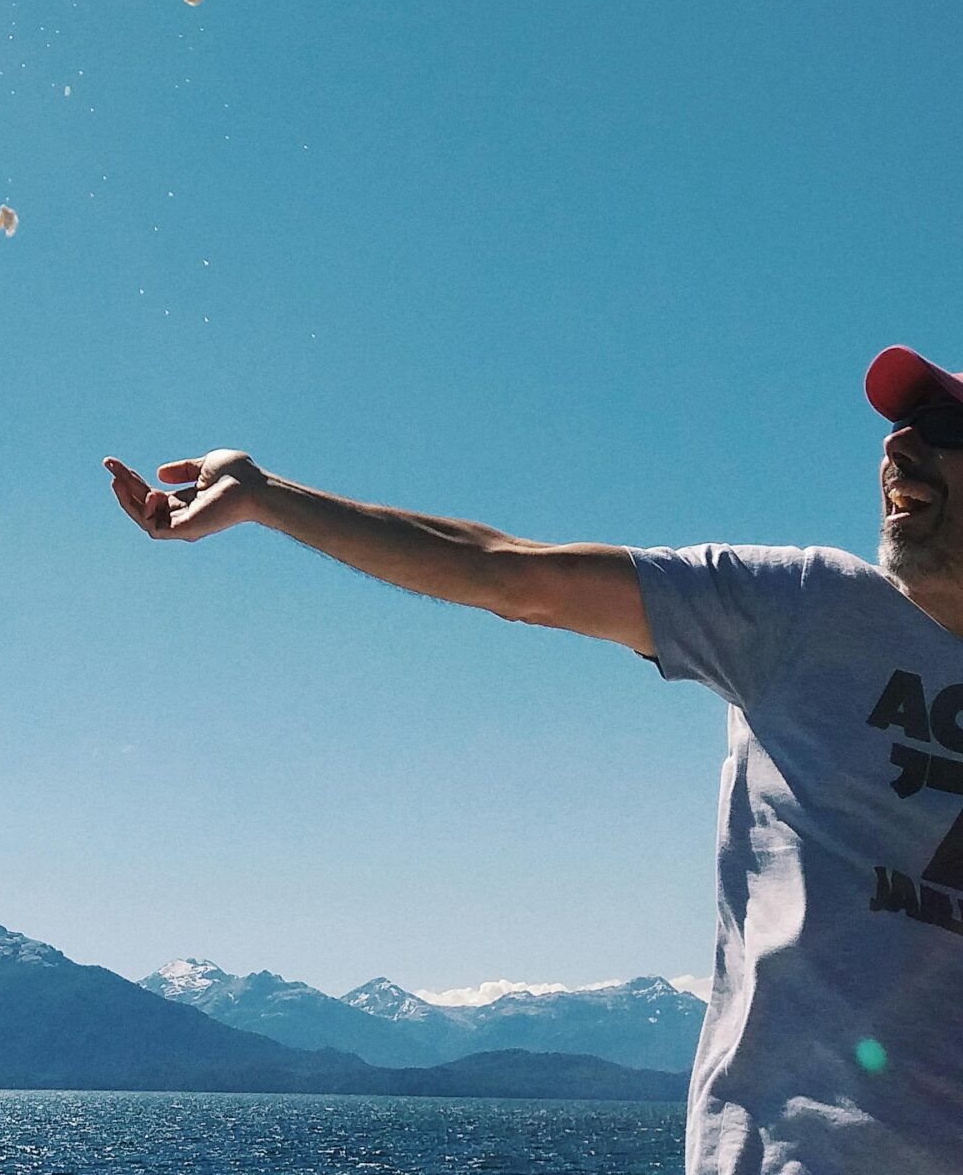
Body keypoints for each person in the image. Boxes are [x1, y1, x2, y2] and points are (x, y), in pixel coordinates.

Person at [106, 344, 963, 1175]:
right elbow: (507, 572)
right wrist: (265, 495)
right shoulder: (805, 612)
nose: (896, 444)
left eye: (938, 425)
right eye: (896, 426)